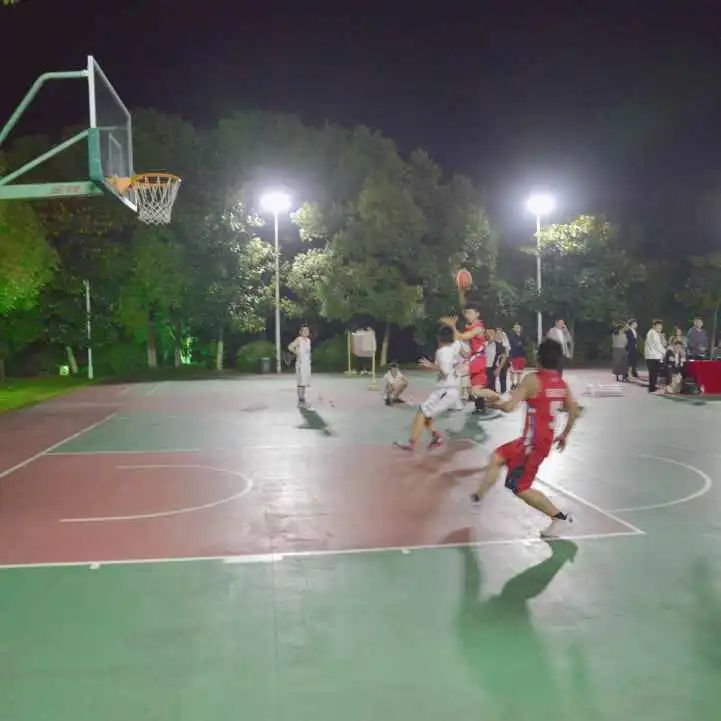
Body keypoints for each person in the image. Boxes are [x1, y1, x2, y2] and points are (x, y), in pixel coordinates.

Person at [470, 339, 580, 538]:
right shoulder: (561, 384)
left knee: (520, 488)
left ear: (538, 358)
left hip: (532, 445)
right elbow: (574, 410)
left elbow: (510, 406)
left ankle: (560, 518)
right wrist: (564, 435)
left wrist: (493, 404)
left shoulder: (532, 380)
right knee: (497, 456)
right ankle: (478, 498)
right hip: (533, 441)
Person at [394, 326, 479, 451]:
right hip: (449, 388)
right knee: (427, 413)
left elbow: (445, 371)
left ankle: (412, 444)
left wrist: (431, 365)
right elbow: (463, 349)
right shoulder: (455, 345)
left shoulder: (442, 352)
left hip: (446, 389)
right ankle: (435, 437)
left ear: (439, 338)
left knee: (422, 412)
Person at [440, 303, 497, 416]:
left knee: (454, 373)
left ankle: (446, 398)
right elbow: (467, 353)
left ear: (477, 314)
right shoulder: (469, 327)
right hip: (475, 358)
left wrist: (452, 326)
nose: (468, 315)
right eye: (466, 313)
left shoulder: (478, 328)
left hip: (478, 360)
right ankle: (497, 397)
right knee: (476, 391)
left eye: (470, 313)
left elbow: (461, 336)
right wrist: (460, 349)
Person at [288, 325, 312, 407]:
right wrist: (297, 352)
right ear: (300, 332)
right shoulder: (299, 339)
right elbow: (290, 347)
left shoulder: (308, 340)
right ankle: (300, 400)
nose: (306, 332)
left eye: (307, 331)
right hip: (300, 364)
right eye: (304, 331)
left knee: (305, 382)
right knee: (300, 382)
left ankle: (303, 398)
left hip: (307, 363)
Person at [644, 319, 665, 393]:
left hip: (653, 356)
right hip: (652, 357)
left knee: (653, 373)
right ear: (654, 326)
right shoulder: (653, 333)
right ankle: (652, 388)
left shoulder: (653, 332)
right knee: (653, 373)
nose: (660, 328)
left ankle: (652, 387)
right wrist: (665, 352)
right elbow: (657, 345)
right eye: (658, 326)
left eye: (661, 326)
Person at [508, 322, 526, 390]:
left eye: (518, 327)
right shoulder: (511, 335)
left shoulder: (523, 336)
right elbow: (513, 343)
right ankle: (513, 384)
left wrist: (520, 343)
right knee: (512, 371)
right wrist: (518, 343)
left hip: (521, 355)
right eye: (516, 327)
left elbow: (525, 343)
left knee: (519, 371)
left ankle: (518, 383)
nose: (517, 328)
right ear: (513, 328)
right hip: (513, 355)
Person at [495, 327, 511, 395]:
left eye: (500, 332)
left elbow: (507, 352)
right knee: (493, 377)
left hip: (503, 360)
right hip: (495, 360)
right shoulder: (494, 341)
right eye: (497, 331)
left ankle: (503, 391)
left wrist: (505, 357)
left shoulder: (505, 341)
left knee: (503, 377)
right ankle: (493, 391)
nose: (499, 333)